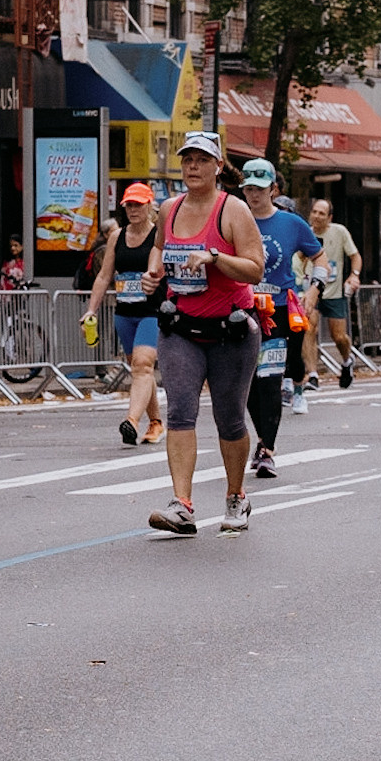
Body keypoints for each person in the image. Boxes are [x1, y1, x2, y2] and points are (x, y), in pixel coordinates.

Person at [148, 131, 266, 535]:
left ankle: (236, 495)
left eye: (201, 160)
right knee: (180, 412)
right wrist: (154, 274)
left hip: (230, 330)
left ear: (218, 166)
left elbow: (255, 268)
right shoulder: (169, 208)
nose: (193, 167)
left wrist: (215, 257)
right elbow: (160, 249)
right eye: (187, 160)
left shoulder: (233, 211)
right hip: (181, 328)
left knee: (230, 419)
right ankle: (182, 504)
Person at [240, 161, 322, 477]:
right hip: (241, 312)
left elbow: (320, 259)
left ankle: (267, 450)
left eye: (260, 188)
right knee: (246, 385)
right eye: (249, 188)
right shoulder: (234, 219)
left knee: (270, 380)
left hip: (277, 312)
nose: (254, 194)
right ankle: (262, 438)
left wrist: (314, 289)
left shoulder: (291, 223)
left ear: (273, 189)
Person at [83, 183, 164, 446]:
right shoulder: (117, 236)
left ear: (150, 206)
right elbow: (105, 275)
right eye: (129, 205)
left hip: (151, 311)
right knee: (141, 369)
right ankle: (156, 422)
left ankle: (131, 421)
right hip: (125, 313)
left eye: (138, 204)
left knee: (142, 364)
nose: (133, 209)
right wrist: (91, 310)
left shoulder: (158, 235)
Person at [302, 198, 362, 390]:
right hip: (311, 290)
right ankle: (312, 375)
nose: (317, 217)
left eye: (322, 213)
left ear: (329, 218)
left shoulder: (339, 232)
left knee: (339, 337)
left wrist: (354, 275)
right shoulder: (305, 232)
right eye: (314, 212)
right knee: (309, 328)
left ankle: (347, 360)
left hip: (334, 292)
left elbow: (355, 256)